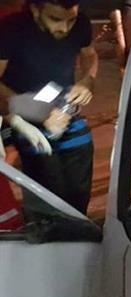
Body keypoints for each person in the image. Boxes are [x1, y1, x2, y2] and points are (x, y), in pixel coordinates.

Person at [0, 0, 98, 214]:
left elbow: (89, 54)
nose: (64, 28)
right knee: (49, 199)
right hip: (25, 117)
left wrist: (87, 80)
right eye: (55, 19)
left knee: (78, 198)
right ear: (36, 10)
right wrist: (38, 111)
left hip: (66, 112)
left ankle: (77, 233)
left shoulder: (81, 23)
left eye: (70, 20)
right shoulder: (12, 29)